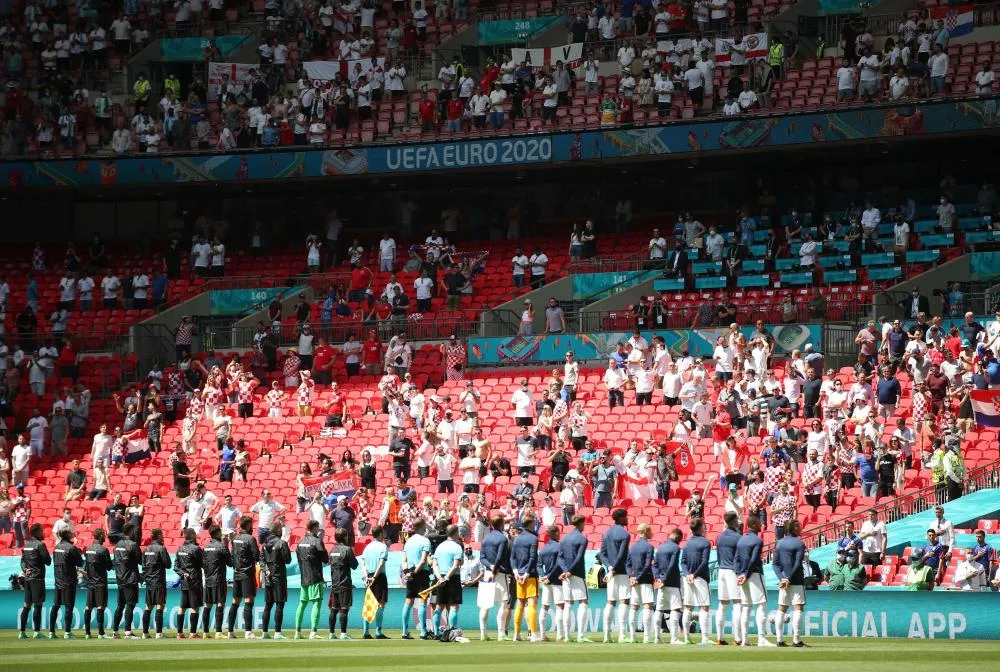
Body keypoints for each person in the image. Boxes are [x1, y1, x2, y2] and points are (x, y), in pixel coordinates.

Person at [773, 519, 807, 647]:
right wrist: (789, 579)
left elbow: (775, 564)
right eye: (799, 526)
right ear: (794, 528)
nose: (801, 528)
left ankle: (779, 640)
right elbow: (798, 564)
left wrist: (782, 578)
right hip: (796, 580)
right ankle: (796, 640)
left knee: (781, 608)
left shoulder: (779, 543)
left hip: (783, 582)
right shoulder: (799, 543)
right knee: (798, 607)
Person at [599, 508, 631, 643]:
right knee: (624, 600)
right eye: (626, 516)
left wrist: (610, 567)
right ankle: (622, 634)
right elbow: (622, 555)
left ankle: (607, 634)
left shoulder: (607, 533)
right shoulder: (625, 534)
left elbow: (602, 554)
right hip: (622, 572)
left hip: (611, 571)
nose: (627, 518)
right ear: (621, 518)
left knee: (610, 601)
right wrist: (614, 569)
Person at [680, 517, 714, 645]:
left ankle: (686, 637)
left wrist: (687, 574)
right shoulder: (705, 543)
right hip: (700, 578)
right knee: (704, 607)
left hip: (687, 579)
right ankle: (704, 637)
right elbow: (704, 562)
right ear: (701, 528)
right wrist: (694, 575)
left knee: (688, 607)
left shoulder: (687, 543)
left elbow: (682, 562)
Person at [479, 512, 513, 640]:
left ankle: (483, 634)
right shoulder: (502, 538)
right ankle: (501, 634)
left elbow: (482, 557)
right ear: (502, 524)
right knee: (503, 603)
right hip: (499, 574)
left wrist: (490, 566)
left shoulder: (486, 538)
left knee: (485, 605)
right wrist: (495, 568)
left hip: (488, 573)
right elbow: (499, 556)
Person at [558, 514, 592, 643]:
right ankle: (580, 635)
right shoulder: (582, 539)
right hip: (577, 573)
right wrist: (570, 571)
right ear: (581, 523)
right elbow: (579, 557)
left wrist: (565, 570)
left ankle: (567, 636)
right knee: (583, 601)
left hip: (566, 575)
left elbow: (560, 557)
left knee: (568, 603)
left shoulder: (565, 539)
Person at [294, 519, 329, 639]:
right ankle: (313, 632)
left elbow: (298, 558)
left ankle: (297, 632)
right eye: (317, 528)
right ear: (314, 528)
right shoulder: (317, 541)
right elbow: (325, 558)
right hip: (315, 576)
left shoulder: (300, 542)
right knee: (316, 603)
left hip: (304, 577)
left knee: (302, 603)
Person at [48, 527, 83, 639]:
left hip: (58, 580)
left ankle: (51, 632)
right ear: (68, 535)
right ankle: (67, 632)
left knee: (56, 606)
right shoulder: (71, 548)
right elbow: (80, 562)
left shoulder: (56, 547)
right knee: (69, 607)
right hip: (69, 581)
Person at [228, 515, 260, 639]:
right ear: (248, 525)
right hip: (247, 573)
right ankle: (248, 632)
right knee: (248, 601)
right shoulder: (250, 539)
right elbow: (256, 555)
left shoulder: (234, 538)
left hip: (236, 573)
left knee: (235, 601)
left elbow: (232, 555)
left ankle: (230, 631)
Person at [17, 523, 51, 639]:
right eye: (42, 530)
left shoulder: (26, 545)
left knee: (26, 605)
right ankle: (36, 632)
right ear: (38, 532)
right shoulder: (40, 545)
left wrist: (25, 569)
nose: (43, 532)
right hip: (37, 579)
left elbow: (22, 561)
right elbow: (48, 561)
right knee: (38, 605)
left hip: (28, 579)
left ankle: (22, 632)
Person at [511, 513, 540, 642]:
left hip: (518, 575)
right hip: (530, 575)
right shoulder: (533, 539)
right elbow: (533, 558)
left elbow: (512, 558)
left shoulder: (516, 539)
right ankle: (533, 634)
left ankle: (516, 634)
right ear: (531, 524)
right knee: (532, 604)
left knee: (520, 604)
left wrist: (516, 572)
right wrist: (527, 573)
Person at [401, 518, 432, 639]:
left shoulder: (408, 541)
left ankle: (404, 631)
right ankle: (423, 632)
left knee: (409, 601)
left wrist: (407, 573)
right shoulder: (425, 541)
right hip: (421, 573)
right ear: (423, 526)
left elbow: (404, 560)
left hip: (409, 575)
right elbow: (423, 560)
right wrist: (413, 573)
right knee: (422, 601)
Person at [432, 524, 465, 636]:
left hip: (440, 578)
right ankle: (452, 631)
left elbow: (434, 564)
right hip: (452, 578)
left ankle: (436, 633)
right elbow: (456, 565)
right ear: (456, 533)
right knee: (454, 606)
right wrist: (446, 578)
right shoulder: (457, 547)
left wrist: (439, 578)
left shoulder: (439, 547)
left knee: (439, 606)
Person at [624, 523, 655, 644]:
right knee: (647, 605)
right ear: (646, 531)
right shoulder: (649, 547)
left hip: (634, 581)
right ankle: (646, 636)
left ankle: (632, 636)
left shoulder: (633, 547)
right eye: (650, 530)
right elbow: (647, 565)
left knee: (634, 607)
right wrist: (638, 577)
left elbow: (627, 564)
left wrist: (631, 576)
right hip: (645, 580)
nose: (651, 533)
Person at [259, 522, 291, 639]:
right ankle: (277, 632)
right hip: (279, 576)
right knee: (279, 604)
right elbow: (288, 560)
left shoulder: (265, 544)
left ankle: (265, 632)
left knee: (268, 605)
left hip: (268, 577)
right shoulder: (282, 543)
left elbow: (261, 560)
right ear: (278, 531)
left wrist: (266, 570)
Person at [714, 512, 741, 645]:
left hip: (721, 571)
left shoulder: (719, 537)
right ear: (735, 521)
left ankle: (720, 637)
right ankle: (738, 638)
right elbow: (740, 557)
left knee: (722, 604)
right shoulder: (737, 537)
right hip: (732, 571)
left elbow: (718, 557)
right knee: (737, 603)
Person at [111, 523, 141, 639]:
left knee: (120, 605)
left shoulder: (117, 545)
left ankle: (115, 631)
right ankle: (128, 632)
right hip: (130, 579)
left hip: (120, 578)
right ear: (131, 532)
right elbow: (140, 560)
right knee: (130, 605)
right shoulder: (133, 544)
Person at [82, 528, 113, 639]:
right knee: (100, 607)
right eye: (104, 535)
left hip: (90, 582)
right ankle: (101, 633)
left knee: (88, 607)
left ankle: (87, 633)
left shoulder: (88, 549)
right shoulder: (103, 550)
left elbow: (86, 567)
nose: (105, 537)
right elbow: (109, 567)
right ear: (100, 536)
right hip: (100, 582)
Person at [140, 528, 171, 639]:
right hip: (158, 582)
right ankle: (158, 633)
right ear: (158, 536)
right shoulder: (161, 549)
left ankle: (145, 633)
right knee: (160, 606)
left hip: (149, 582)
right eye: (162, 535)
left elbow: (143, 566)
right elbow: (168, 564)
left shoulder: (146, 549)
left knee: (148, 607)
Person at [202, 525, 232, 637]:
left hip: (208, 579)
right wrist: (227, 544)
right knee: (220, 604)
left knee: (207, 605)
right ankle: (218, 632)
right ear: (218, 533)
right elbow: (230, 563)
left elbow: (203, 563)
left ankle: (205, 632)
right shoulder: (221, 546)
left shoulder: (206, 547)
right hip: (218, 579)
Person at [328, 527, 358, 639]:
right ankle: (343, 634)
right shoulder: (347, 549)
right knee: (344, 609)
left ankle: (331, 633)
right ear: (345, 537)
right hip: (344, 583)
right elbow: (354, 565)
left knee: (334, 609)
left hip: (334, 583)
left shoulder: (332, 550)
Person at [174, 527, 204, 639]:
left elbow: (176, 567)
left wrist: (183, 573)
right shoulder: (196, 549)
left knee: (182, 607)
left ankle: (179, 633)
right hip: (194, 581)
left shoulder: (180, 549)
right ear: (192, 536)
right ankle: (192, 633)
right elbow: (202, 564)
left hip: (184, 582)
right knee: (194, 606)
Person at [361, 526, 390, 639]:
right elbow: (381, 563)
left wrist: (366, 577)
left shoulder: (367, 547)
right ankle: (378, 631)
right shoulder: (383, 547)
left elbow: (363, 564)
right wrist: (375, 577)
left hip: (368, 576)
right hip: (379, 577)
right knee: (380, 604)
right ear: (381, 533)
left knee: (368, 604)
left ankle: (366, 632)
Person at [538, 524, 565, 642]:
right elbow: (559, 564)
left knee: (544, 607)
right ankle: (560, 634)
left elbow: (538, 565)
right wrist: (549, 577)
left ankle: (543, 635)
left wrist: (543, 576)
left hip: (546, 583)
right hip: (557, 580)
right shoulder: (559, 547)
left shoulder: (543, 549)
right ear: (555, 533)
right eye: (558, 532)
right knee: (560, 607)